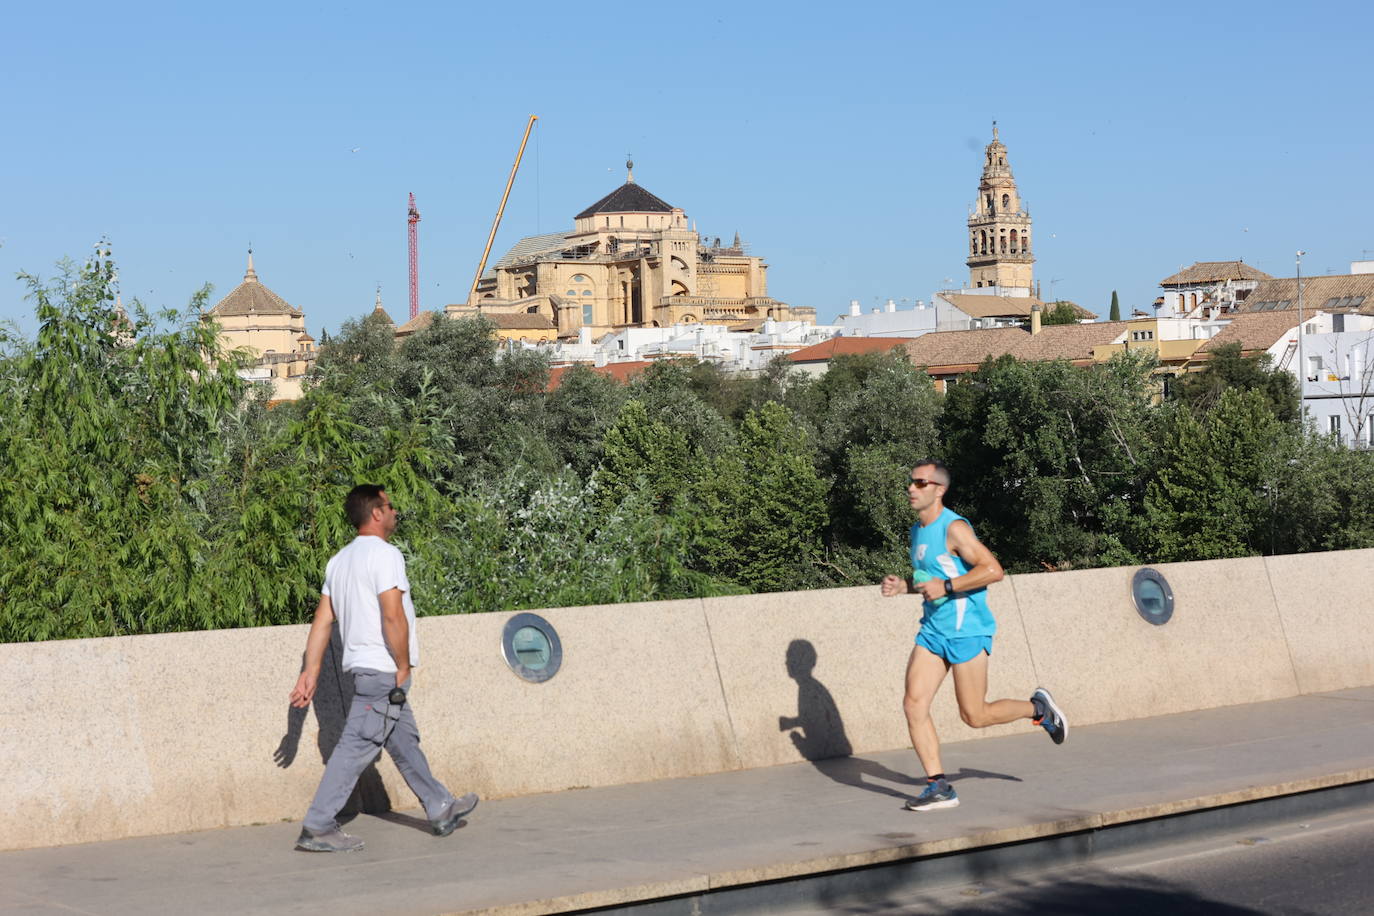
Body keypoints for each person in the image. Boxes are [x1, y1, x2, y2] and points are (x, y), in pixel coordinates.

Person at [289, 484, 477, 852]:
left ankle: (440, 806)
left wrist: (309, 671)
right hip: (383, 670)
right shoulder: (386, 555)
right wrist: (403, 664)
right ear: (376, 513)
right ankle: (318, 825)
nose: (395, 512)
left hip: (366, 671)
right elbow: (393, 615)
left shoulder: (339, 561)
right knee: (355, 746)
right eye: (390, 506)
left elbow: (323, 620)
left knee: (404, 739)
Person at [880, 460, 1065, 812]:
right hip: (934, 631)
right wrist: (904, 586)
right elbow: (931, 582)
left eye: (921, 483)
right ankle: (939, 787)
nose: (912, 488)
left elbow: (993, 570)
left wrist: (947, 585)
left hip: (967, 630)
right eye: (911, 482)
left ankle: (1037, 708)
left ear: (939, 489)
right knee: (913, 704)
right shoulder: (916, 532)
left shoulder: (955, 528)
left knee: (975, 715)